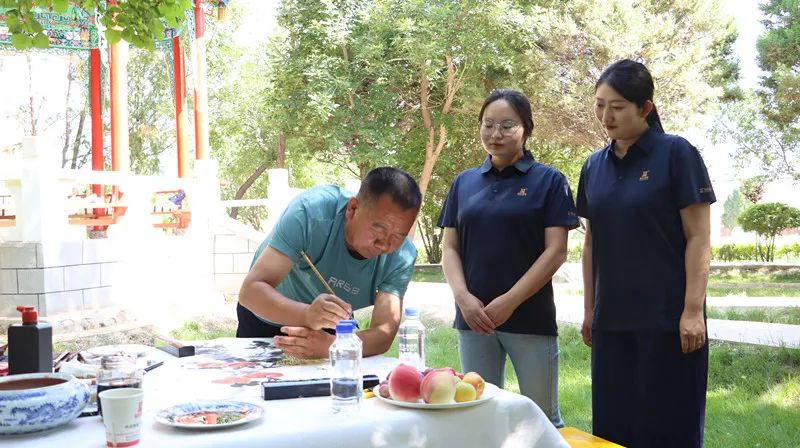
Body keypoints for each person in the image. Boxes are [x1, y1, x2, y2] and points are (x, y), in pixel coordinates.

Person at [577, 59, 715, 447]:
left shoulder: (677, 154)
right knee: (613, 427)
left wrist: (692, 310)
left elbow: (699, 237)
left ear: (646, 108)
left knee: (670, 425)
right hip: (612, 320)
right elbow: (591, 242)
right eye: (600, 105)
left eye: (617, 107)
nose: (606, 116)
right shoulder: (593, 166)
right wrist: (589, 309)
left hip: (667, 320)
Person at [438, 89, 578, 427]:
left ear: (526, 129)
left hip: (530, 318)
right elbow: (450, 248)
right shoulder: (464, 183)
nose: (495, 134)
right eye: (488, 125)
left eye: (506, 125)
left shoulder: (549, 181)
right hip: (474, 319)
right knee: (478, 414)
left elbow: (556, 251)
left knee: (542, 418)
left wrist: (510, 301)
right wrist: (463, 299)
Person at [237, 167, 421, 359]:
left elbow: (384, 333)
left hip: (327, 331)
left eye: (398, 236)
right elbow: (250, 292)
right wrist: (307, 315)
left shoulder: (402, 256)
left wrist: (331, 347)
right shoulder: (311, 211)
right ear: (352, 209)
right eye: (378, 229)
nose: (384, 244)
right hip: (266, 316)